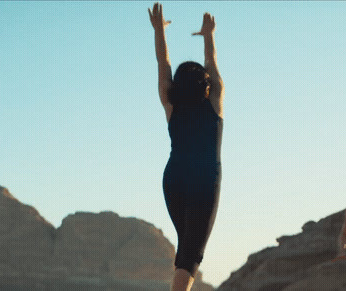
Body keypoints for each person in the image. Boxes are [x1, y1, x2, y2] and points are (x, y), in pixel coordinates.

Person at [149, 3, 224, 291]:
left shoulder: (171, 105)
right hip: (204, 180)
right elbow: (213, 66)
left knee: (186, 247)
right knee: (191, 255)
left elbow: (162, 65)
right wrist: (208, 37)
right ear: (206, 85)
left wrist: (159, 32)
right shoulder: (214, 105)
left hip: (174, 179)